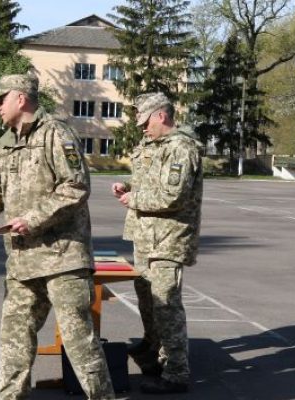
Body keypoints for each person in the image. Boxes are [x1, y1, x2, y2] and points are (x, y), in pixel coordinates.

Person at [0, 74, 114, 400]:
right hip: (23, 260)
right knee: (14, 336)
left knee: (79, 339)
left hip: (62, 258)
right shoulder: (5, 144)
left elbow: (76, 187)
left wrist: (33, 219)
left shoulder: (56, 133)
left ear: (21, 98)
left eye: (1, 99)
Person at [111, 92, 203, 394]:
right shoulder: (153, 146)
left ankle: (177, 372)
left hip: (168, 238)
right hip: (145, 236)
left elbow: (173, 195)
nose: (141, 127)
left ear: (161, 116)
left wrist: (133, 198)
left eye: (145, 121)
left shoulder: (181, 148)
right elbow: (151, 184)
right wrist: (129, 186)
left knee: (166, 305)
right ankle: (154, 350)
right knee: (147, 297)